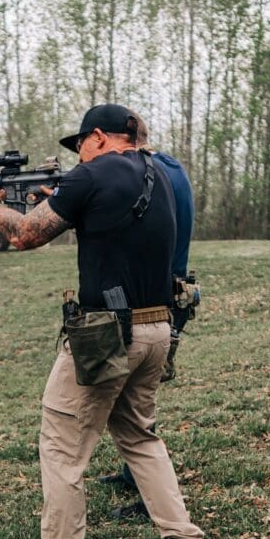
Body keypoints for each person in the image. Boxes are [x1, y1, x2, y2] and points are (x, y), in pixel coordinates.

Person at [0, 103, 204, 539]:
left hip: (107, 334)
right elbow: (114, 227)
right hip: (157, 328)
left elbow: (25, 235)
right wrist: (64, 198)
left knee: (62, 447)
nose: (79, 158)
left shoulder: (91, 176)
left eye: (80, 148)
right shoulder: (159, 173)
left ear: (97, 137)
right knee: (139, 435)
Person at [100, 115, 196, 516]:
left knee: (140, 398)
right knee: (137, 395)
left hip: (156, 297)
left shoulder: (149, 174)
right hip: (174, 291)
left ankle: (148, 491)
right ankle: (132, 472)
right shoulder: (170, 165)